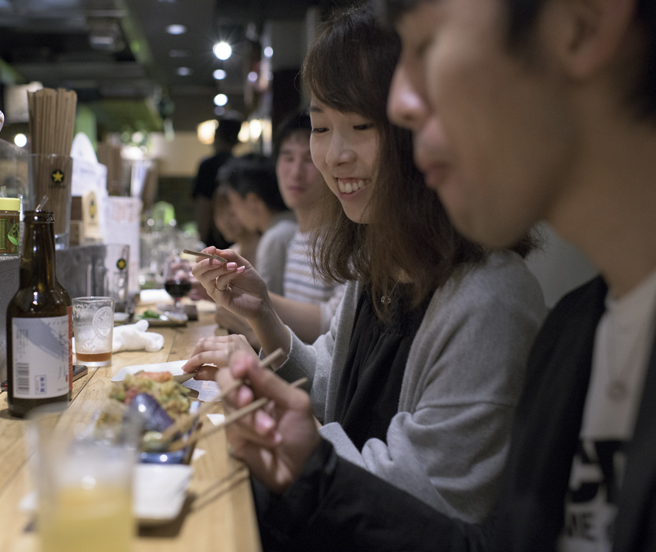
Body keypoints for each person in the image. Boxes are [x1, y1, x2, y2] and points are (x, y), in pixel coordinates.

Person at [212, 0, 656, 549]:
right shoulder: (576, 333)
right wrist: (266, 335)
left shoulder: (500, 300)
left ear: (584, 22)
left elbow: (443, 510)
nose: (405, 104)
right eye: (320, 125)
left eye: (428, 46)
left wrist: (309, 465)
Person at [187, 3, 545, 531]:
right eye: (320, 126)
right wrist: (263, 318)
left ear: (416, 126)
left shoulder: (490, 299)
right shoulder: (377, 268)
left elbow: (426, 499)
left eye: (360, 125)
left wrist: (286, 434)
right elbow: (332, 397)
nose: (333, 156)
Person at [215, 111, 347, 344]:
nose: (296, 173)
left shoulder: (344, 238)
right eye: (287, 158)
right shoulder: (297, 236)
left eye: (309, 160)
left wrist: (252, 298)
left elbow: (336, 325)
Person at [219, 153, 297, 296]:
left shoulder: (274, 238)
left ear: (253, 201)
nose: (234, 212)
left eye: (234, 204)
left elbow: (266, 307)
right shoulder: (291, 223)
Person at [192, 118, 241, 249]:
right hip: (239, 238)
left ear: (216, 135)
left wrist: (201, 240)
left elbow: (204, 204)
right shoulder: (240, 166)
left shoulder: (208, 166)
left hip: (213, 239)